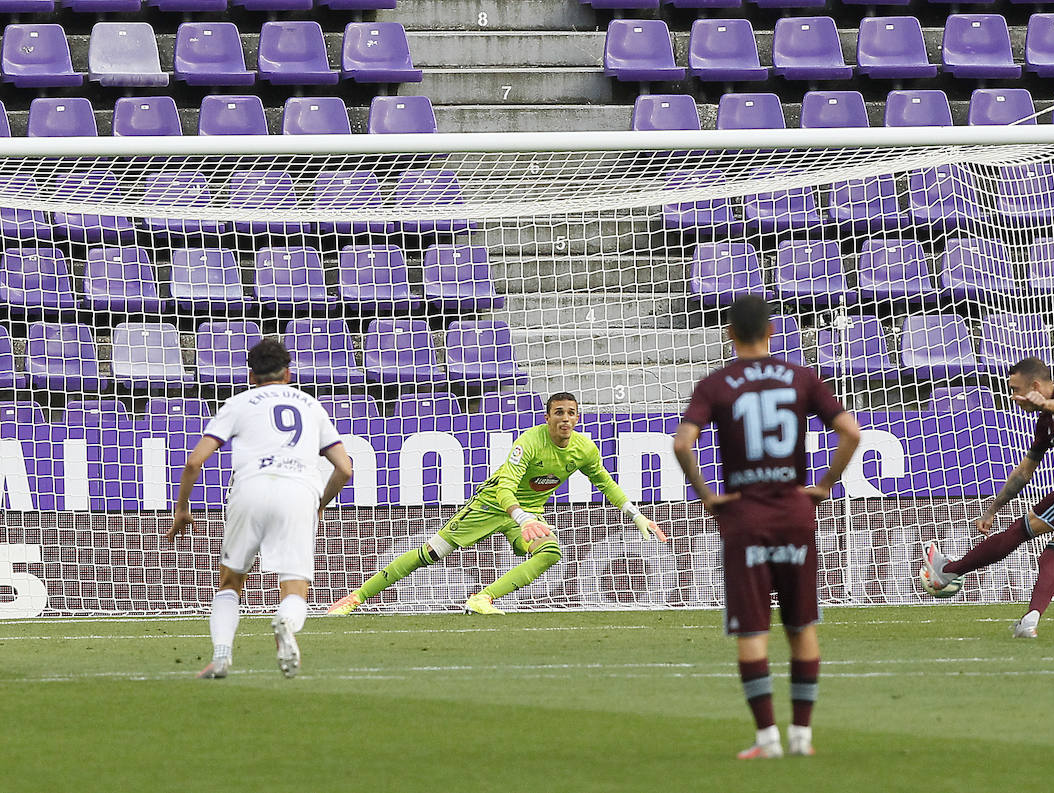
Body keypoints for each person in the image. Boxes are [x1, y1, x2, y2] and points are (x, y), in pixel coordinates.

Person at [673, 295, 861, 760]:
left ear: (730, 333)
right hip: (795, 513)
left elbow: (682, 443)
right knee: (801, 625)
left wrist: (709, 495)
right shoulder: (800, 377)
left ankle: (766, 739)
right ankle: (802, 736)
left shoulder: (716, 384)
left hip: (746, 517)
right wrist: (823, 486)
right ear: (772, 331)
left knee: (753, 630)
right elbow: (852, 433)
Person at [328, 392, 667, 616]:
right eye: (559, 413)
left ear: (578, 418)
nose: (566, 418)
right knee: (429, 554)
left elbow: (604, 481)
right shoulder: (529, 442)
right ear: (547, 417)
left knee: (550, 552)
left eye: (572, 413)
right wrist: (520, 517)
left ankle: (483, 598)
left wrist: (636, 515)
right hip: (493, 505)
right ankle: (355, 598)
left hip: (527, 516)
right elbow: (505, 485)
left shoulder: (583, 448)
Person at [168, 339, 354, 679]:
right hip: (299, 491)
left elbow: (194, 461)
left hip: (249, 488)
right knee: (294, 586)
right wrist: (319, 504)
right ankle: (285, 623)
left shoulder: (238, 403)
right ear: (289, 374)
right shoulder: (310, 406)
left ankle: (221, 657)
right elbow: (344, 468)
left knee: (230, 580)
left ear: (251, 376)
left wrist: (182, 508)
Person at [922, 356, 1054, 639]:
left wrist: (1045, 403)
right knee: (1052, 554)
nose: (1013, 397)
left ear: (1035, 386)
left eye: (1016, 389)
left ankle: (948, 571)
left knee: (1022, 528)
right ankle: (1029, 622)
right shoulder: (1045, 423)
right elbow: (1024, 472)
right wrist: (992, 509)